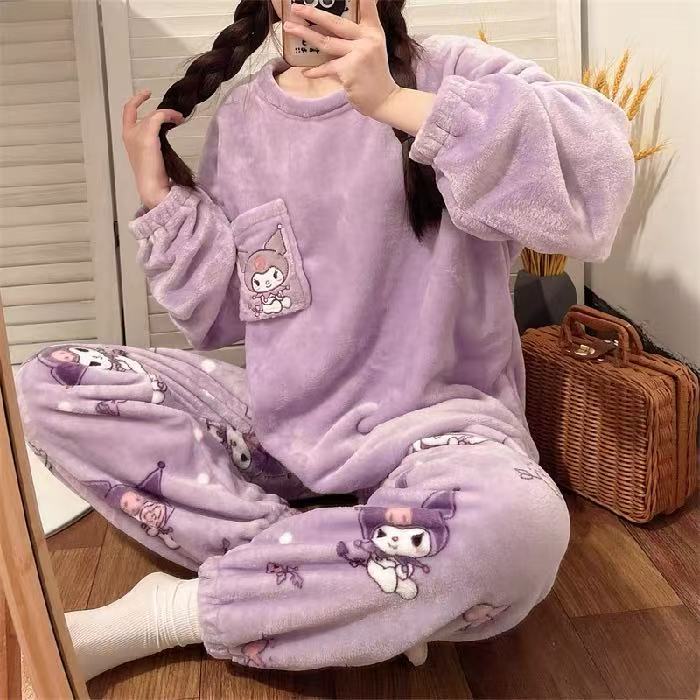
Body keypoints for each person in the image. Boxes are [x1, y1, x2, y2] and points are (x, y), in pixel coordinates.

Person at [15, 0, 635, 680]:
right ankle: (363, 584)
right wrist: (161, 198)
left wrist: (397, 104)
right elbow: (227, 316)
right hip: (281, 434)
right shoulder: (244, 121)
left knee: (519, 530)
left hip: (439, 438)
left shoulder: (451, 70)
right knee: (45, 385)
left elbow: (598, 177)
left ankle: (182, 610)